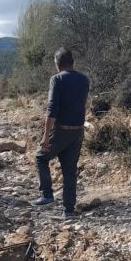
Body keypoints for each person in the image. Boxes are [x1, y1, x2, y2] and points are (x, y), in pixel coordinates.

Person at [30, 47, 90, 219]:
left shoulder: (56, 79)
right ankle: (68, 211)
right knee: (69, 171)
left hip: (60, 131)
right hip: (78, 131)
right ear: (72, 62)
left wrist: (45, 136)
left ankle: (47, 195)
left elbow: (52, 109)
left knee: (41, 158)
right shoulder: (84, 80)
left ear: (57, 64)